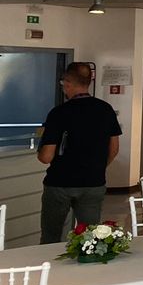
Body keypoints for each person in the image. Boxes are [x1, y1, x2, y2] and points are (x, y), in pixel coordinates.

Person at [38, 62, 122, 245]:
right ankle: (86, 262)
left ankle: (49, 263)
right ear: (89, 82)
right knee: (90, 238)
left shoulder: (59, 113)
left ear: (68, 83)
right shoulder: (105, 109)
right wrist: (97, 167)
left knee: (51, 236)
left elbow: (46, 157)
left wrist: (41, 148)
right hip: (93, 182)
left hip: (60, 184)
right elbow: (114, 148)